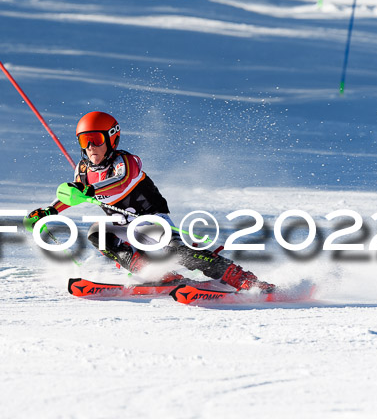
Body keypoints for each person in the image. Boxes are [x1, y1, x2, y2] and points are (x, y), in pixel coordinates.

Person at [26, 111, 273, 292]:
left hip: (151, 221)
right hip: (122, 225)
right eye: (84, 141)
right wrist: (50, 211)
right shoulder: (83, 170)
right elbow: (76, 195)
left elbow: (119, 183)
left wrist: (88, 189)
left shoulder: (127, 161)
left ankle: (244, 280)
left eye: (96, 140)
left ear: (112, 138)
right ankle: (156, 274)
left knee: (180, 253)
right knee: (97, 233)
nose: (91, 147)